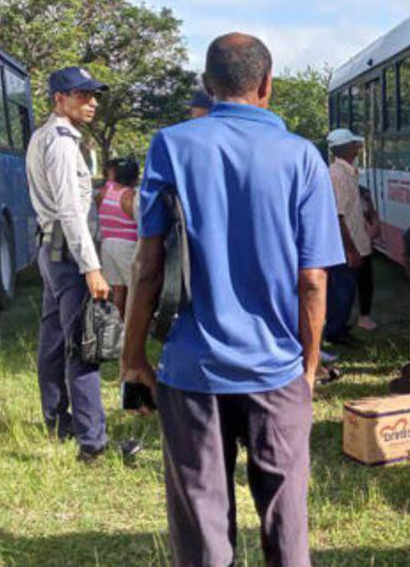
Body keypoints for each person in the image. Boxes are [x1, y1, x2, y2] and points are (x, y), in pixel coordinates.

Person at [120, 33, 342, 566]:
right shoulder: (302, 157)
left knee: (202, 525)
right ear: (268, 85)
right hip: (277, 370)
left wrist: (131, 359)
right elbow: (313, 280)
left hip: (192, 370)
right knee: (287, 525)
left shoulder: (170, 145)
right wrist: (308, 368)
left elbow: (147, 267)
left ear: (206, 85)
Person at [25, 66, 111, 462]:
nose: (91, 102)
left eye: (93, 95)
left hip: (52, 250)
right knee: (84, 345)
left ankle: (57, 422)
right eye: (81, 95)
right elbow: (71, 210)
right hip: (68, 252)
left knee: (54, 343)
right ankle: (92, 442)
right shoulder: (60, 142)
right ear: (59, 98)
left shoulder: (45, 136)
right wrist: (91, 266)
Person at [325, 128, 373, 344]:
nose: (357, 147)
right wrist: (351, 249)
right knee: (343, 289)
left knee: (346, 288)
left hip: (352, 241)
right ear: (345, 148)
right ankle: (335, 331)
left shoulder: (345, 171)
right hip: (347, 245)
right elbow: (338, 215)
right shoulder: (339, 175)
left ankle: (340, 327)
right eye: (354, 144)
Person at [98, 157, 140, 318]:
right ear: (134, 179)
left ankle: (117, 322)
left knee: (117, 288)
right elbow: (139, 219)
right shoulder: (130, 196)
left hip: (107, 243)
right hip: (127, 245)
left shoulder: (105, 192)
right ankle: (133, 322)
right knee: (134, 287)